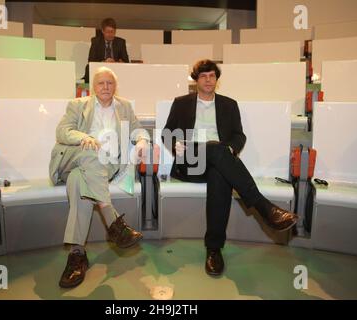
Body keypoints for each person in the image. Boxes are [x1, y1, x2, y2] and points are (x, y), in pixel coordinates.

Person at [162, 59, 298, 276]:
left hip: (219, 160)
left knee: (220, 173)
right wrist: (175, 143)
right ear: (196, 80)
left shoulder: (229, 104)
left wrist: (232, 149)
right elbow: (167, 131)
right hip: (191, 161)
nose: (208, 80)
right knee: (217, 150)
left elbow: (239, 136)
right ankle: (264, 207)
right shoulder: (181, 102)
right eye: (203, 76)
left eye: (212, 76)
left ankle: (213, 250)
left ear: (217, 79)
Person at [50, 67, 148, 288]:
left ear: (115, 86)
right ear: (93, 87)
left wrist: (142, 141)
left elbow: (138, 129)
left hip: (106, 165)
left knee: (78, 182)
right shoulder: (78, 105)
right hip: (76, 156)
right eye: (101, 83)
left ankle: (77, 254)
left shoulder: (124, 107)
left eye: (110, 83)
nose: (106, 87)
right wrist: (85, 137)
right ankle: (113, 222)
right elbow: (62, 131)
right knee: (90, 151)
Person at [83, 18, 129, 83]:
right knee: (88, 67)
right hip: (100, 67)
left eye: (112, 32)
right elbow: (91, 60)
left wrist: (116, 62)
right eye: (108, 32)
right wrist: (104, 62)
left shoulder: (121, 42)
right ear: (103, 31)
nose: (110, 34)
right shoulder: (96, 41)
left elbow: (126, 61)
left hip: (116, 68)